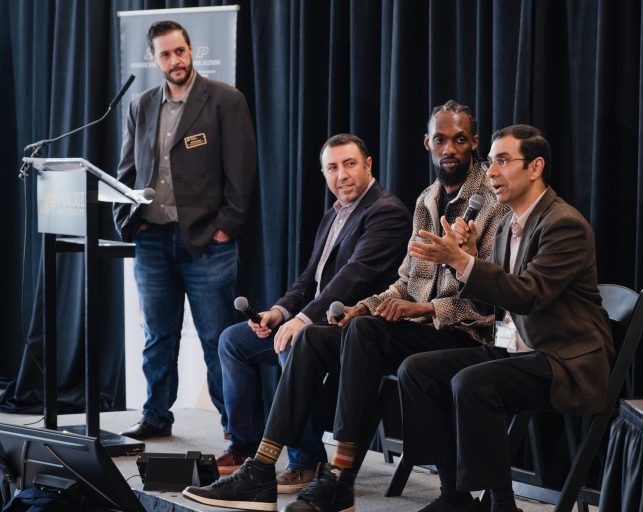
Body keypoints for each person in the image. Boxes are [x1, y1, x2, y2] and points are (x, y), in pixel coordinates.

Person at [181, 99, 508, 511]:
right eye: (440, 139)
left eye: (460, 140)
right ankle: (261, 469)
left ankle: (339, 477)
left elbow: (494, 300)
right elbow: (405, 282)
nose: (450, 149)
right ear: (427, 143)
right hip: (417, 332)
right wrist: (365, 306)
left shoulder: (493, 202)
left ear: (475, 143)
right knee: (315, 338)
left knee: (360, 330)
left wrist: (423, 309)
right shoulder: (427, 200)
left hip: (462, 333)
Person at [401, 124, 614, 512]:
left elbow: (530, 295)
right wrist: (470, 263)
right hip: (514, 349)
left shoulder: (563, 224)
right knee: (416, 371)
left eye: (503, 161)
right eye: (490, 161)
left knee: (473, 383)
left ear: (535, 167)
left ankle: (502, 505)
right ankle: (455, 496)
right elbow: (491, 307)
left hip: (563, 359)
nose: (492, 172)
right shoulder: (504, 227)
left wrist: (464, 263)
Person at [215, 133, 412, 491]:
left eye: (350, 164)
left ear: (369, 165)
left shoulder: (387, 212)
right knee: (233, 341)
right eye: (332, 168)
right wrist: (279, 311)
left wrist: (302, 320)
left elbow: (354, 277)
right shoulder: (333, 214)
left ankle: (305, 461)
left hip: (355, 329)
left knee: (294, 344)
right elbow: (311, 278)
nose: (342, 175)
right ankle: (244, 444)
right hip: (314, 319)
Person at [113, 20, 257, 440]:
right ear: (153, 59)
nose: (174, 61)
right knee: (157, 336)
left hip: (207, 243)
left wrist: (226, 228)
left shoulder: (224, 100)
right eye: (165, 54)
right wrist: (131, 221)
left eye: (179, 51)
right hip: (152, 239)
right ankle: (156, 416)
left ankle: (237, 430)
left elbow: (242, 171)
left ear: (191, 50)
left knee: (217, 340)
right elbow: (128, 169)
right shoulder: (139, 105)